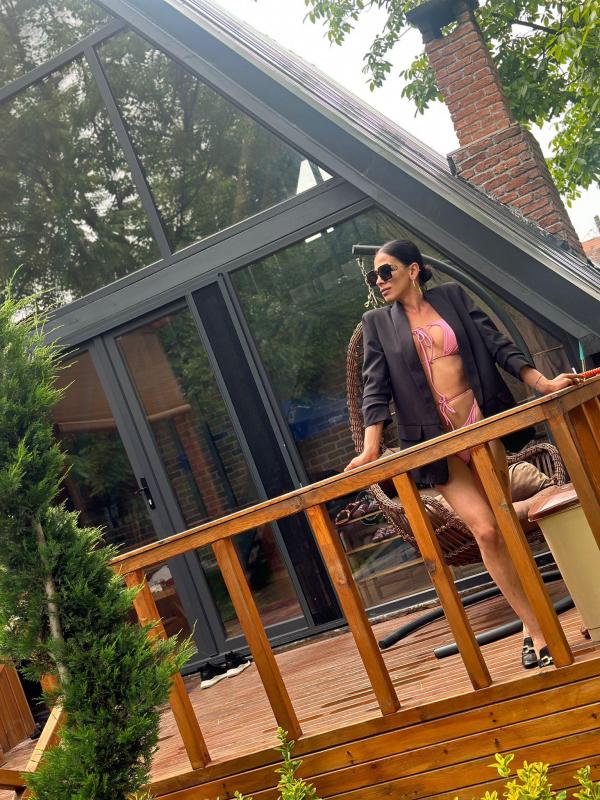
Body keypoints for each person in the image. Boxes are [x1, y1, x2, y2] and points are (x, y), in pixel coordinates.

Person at [345, 239, 581, 669]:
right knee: (486, 531)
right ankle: (536, 625)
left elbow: (498, 345)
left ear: (413, 269)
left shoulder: (452, 297)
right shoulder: (377, 323)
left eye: (386, 271)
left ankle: (531, 629)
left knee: (505, 524)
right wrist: (371, 448)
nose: (378, 280)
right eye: (373, 275)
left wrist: (543, 384)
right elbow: (374, 388)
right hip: (437, 444)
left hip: (482, 425)